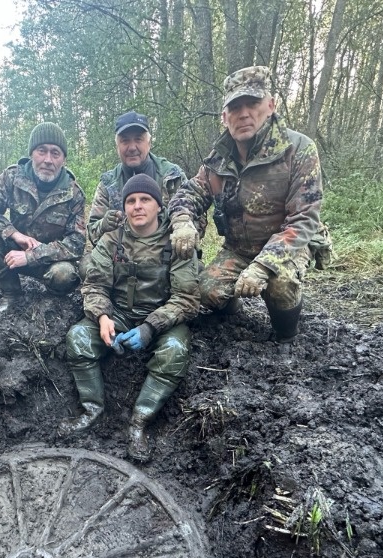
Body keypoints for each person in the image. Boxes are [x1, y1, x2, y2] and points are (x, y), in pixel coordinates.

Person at [168, 66, 331, 342]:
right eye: (234, 107)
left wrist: (261, 267)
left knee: (280, 283)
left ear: (270, 105)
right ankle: (233, 315)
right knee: (205, 290)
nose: (244, 114)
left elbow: (304, 219)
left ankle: (286, 337)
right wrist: (182, 221)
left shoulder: (298, 149)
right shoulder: (218, 159)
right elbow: (191, 192)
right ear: (224, 116)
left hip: (287, 246)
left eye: (252, 103)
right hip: (239, 248)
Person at [60, 174, 200, 462]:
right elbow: (94, 285)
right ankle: (92, 408)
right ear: (124, 207)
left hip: (164, 320)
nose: (137, 206)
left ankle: (139, 421)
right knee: (77, 338)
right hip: (120, 315)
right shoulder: (112, 239)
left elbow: (187, 298)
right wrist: (102, 316)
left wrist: (151, 327)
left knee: (174, 352)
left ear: (159, 206)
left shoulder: (176, 242)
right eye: (131, 201)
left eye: (145, 200)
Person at [0, 122, 86, 313]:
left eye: (55, 153)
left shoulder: (74, 193)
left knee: (64, 275)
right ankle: (12, 293)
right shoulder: (13, 177)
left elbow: (76, 243)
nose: (48, 159)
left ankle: (53, 302)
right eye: (42, 151)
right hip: (13, 253)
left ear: (63, 159)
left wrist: (32, 256)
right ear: (32, 153)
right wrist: (13, 233)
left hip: (50, 261)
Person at [86, 111, 189, 244]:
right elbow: (92, 233)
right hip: (122, 256)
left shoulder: (172, 176)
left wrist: (181, 226)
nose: (132, 147)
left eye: (138, 139)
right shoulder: (108, 184)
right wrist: (105, 224)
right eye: (125, 141)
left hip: (166, 253)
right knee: (89, 263)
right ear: (117, 146)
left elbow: (195, 220)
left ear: (149, 142)